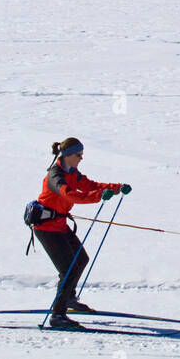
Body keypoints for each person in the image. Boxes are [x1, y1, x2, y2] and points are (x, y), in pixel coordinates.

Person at [32, 137, 131, 329]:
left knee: (81, 260)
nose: (81, 158)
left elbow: (90, 185)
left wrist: (116, 188)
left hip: (59, 224)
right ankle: (57, 315)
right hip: (46, 228)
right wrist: (98, 197)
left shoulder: (72, 173)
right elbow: (70, 195)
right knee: (69, 268)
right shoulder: (55, 176)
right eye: (79, 155)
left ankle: (68, 298)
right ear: (68, 155)